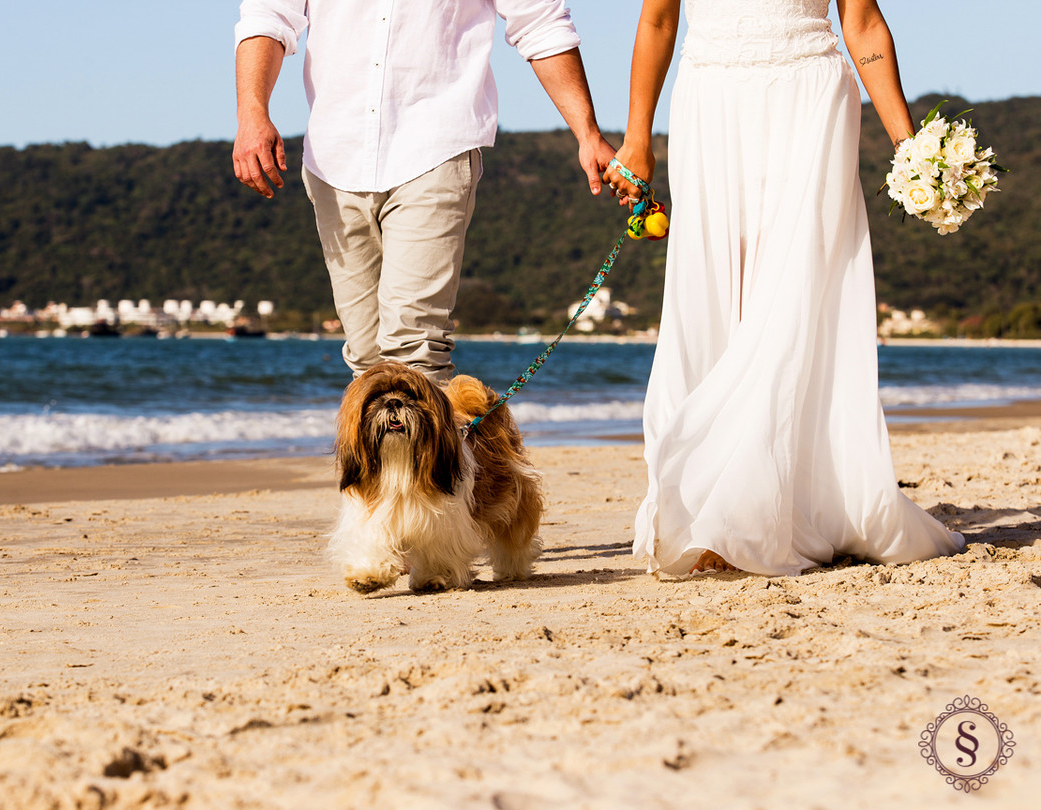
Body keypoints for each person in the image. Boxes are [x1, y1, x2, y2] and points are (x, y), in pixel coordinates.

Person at [604, 0, 965, 576]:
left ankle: (762, 506)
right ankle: (707, 502)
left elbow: (863, 22)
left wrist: (907, 143)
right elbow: (657, 21)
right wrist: (637, 138)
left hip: (810, 98)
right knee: (717, 291)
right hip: (712, 99)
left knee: (795, 293)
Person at [232, 1, 617, 384]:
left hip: (437, 147)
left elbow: (540, 21)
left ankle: (429, 446)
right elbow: (268, 15)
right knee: (367, 362)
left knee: (414, 352)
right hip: (335, 155)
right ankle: (398, 447)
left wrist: (587, 132)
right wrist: (252, 114)